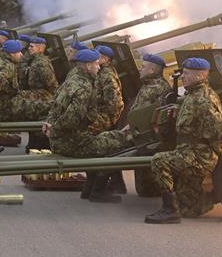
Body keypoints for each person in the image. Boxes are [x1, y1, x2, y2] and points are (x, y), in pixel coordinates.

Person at [146, 57, 222, 224]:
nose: (183, 77)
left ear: (200, 76)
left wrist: (209, 159)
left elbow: (220, 135)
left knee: (159, 161)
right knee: (188, 209)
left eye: (187, 74)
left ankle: (170, 210)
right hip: (188, 150)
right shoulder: (192, 95)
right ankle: (216, 196)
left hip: (198, 154)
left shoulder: (204, 100)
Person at [42, 49, 130, 203]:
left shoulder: (72, 80)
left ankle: (88, 189)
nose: (99, 67)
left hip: (64, 140)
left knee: (107, 138)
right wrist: (54, 130)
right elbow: (71, 119)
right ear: (88, 66)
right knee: (116, 143)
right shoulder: (84, 88)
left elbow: (54, 109)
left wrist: (51, 127)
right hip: (71, 143)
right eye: (96, 64)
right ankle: (98, 191)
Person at [85, 44, 126, 196]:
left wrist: (111, 122)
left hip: (105, 117)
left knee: (88, 137)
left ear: (106, 59)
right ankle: (114, 182)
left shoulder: (108, 75)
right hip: (99, 114)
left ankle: (101, 181)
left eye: (98, 56)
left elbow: (115, 103)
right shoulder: (100, 72)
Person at [130, 53, 174, 197]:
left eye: (143, 67)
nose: (140, 69)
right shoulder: (149, 85)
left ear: (152, 70)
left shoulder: (155, 88)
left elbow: (142, 116)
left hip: (143, 134)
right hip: (139, 131)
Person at [0, 39, 32, 121]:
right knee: (41, 107)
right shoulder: (7, 67)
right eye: (19, 52)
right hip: (5, 110)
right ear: (12, 53)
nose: (21, 55)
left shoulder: (0, 60)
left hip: (0, 107)